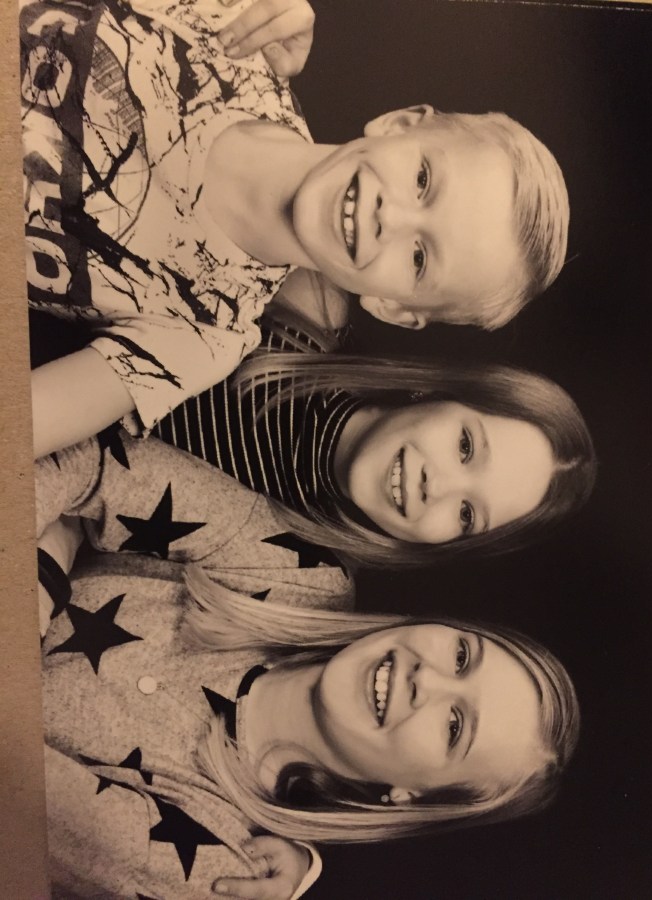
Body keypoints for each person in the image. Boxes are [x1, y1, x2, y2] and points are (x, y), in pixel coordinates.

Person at [36, 432, 579, 898]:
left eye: (454, 726)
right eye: (461, 656)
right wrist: (40, 577)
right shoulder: (304, 572)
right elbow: (87, 459)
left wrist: (48, 548)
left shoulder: (228, 858)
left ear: (411, 796)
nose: (427, 679)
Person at [22, 0, 569, 459]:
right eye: (423, 179)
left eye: (420, 258)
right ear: (399, 124)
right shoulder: (242, 31)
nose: (392, 217)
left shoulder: (205, 335)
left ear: (392, 307)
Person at [154, 291, 597, 569]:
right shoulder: (304, 308)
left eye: (467, 515)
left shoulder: (301, 578)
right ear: (436, 392)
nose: (437, 487)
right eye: (465, 447)